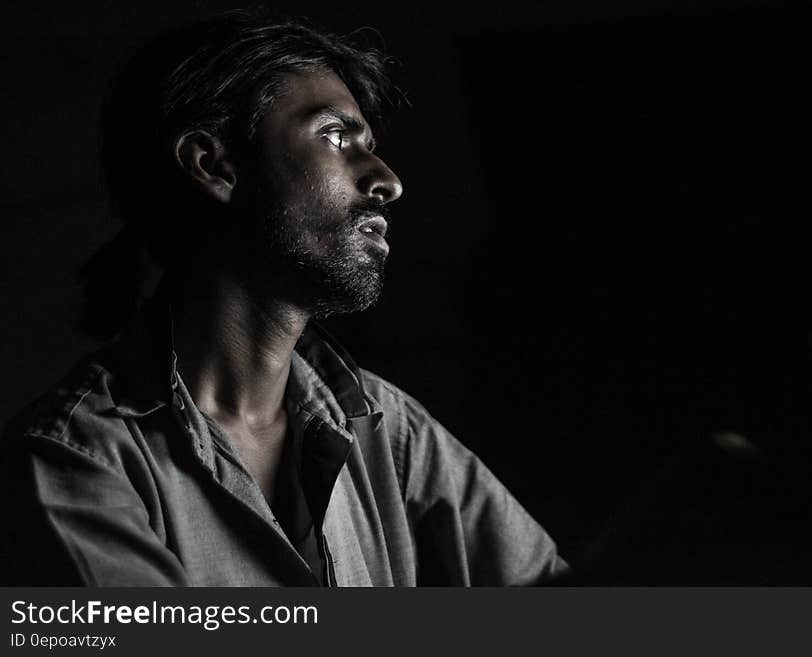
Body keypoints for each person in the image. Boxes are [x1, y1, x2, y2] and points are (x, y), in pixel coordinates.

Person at [0, 11, 567, 586]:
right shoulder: (74, 463)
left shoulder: (386, 429)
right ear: (214, 165)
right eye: (335, 136)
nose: (388, 180)